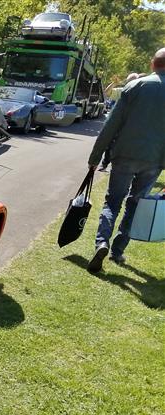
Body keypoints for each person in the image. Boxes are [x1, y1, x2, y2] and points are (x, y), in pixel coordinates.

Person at [86, 53, 165, 272]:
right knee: (135, 204)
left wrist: (95, 157)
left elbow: (111, 125)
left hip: (125, 155)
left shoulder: (136, 86)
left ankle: (102, 242)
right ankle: (118, 251)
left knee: (112, 202)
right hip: (154, 160)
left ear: (152, 64)